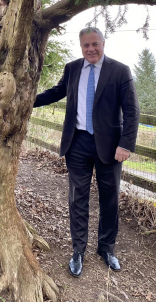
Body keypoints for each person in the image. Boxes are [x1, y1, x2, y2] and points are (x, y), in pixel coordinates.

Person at [34, 27, 139, 277]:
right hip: (77, 142)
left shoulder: (120, 71)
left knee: (110, 198)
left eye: (95, 44)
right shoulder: (72, 69)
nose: (91, 49)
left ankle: (106, 248)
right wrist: (29, 100)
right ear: (80, 47)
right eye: (85, 45)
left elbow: (132, 111)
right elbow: (57, 92)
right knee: (77, 198)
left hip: (111, 147)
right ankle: (78, 250)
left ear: (103, 43)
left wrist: (125, 144)